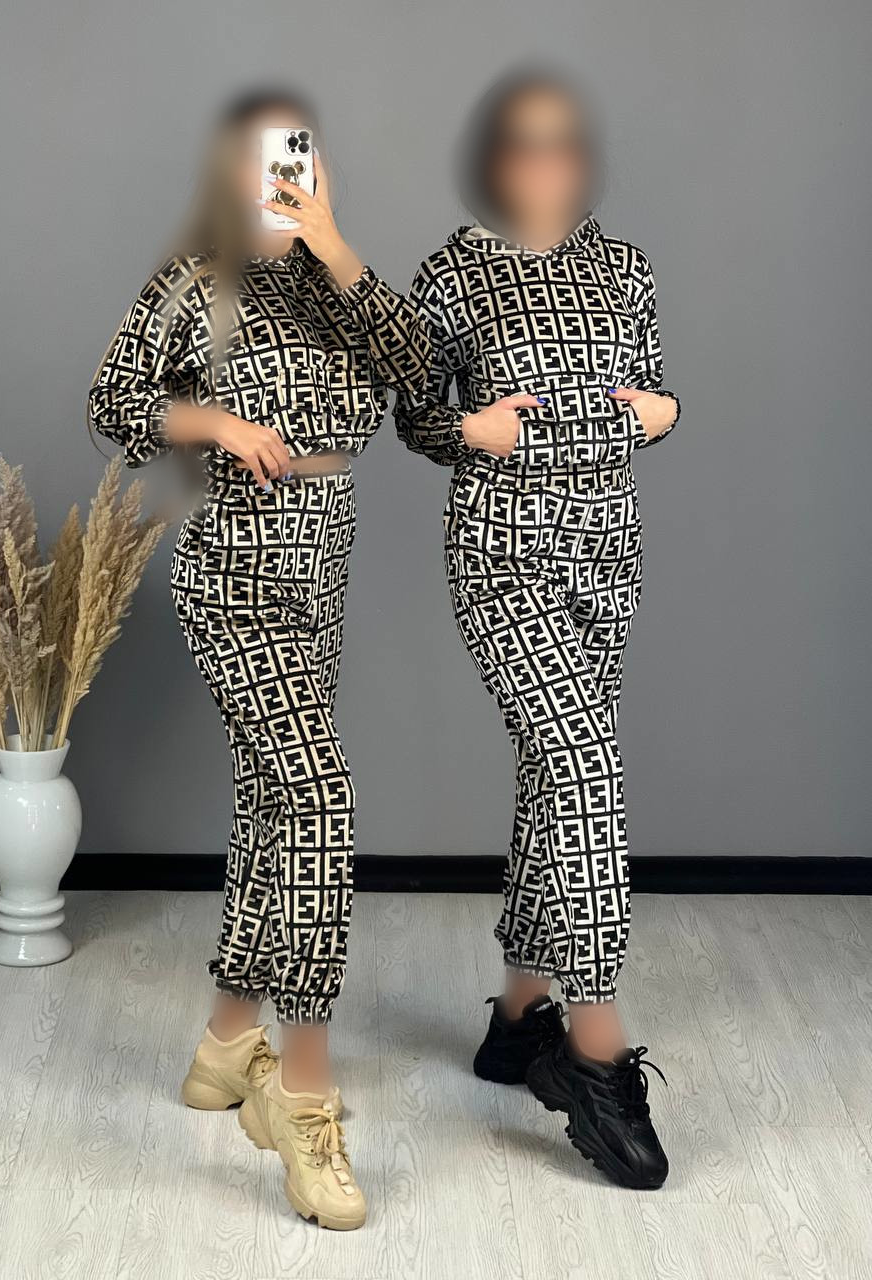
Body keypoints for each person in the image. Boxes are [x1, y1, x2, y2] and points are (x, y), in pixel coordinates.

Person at [89, 89, 429, 1231]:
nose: (286, 169)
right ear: (231, 171)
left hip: (319, 576)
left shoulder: (340, 287)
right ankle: (303, 1091)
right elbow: (113, 400)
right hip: (231, 576)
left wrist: (335, 246)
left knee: (271, 802)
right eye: (266, 154)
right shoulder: (196, 280)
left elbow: (419, 370)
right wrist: (217, 425)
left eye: (302, 152)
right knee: (319, 798)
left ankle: (227, 1041)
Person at [395, 68, 678, 1190]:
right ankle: (594, 1052)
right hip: (500, 551)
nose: (545, 162)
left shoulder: (624, 266)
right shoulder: (453, 270)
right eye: (523, 143)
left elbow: (649, 390)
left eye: (562, 142)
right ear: (493, 159)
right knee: (585, 763)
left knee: (549, 772)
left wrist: (665, 411)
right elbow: (416, 414)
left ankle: (518, 1016)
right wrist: (468, 430)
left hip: (606, 551)